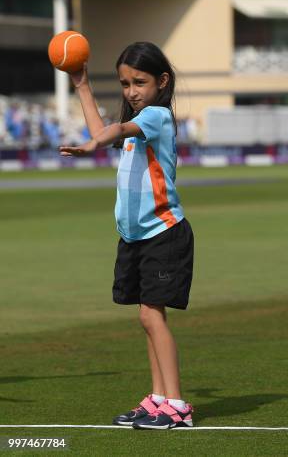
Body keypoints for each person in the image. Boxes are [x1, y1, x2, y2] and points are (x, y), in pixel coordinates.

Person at [59, 42, 195, 430]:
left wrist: (94, 143)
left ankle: (177, 406)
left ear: (162, 82)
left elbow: (112, 130)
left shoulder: (156, 117)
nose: (131, 91)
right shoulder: (139, 122)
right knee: (147, 317)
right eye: (124, 83)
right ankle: (158, 399)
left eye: (139, 82)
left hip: (164, 233)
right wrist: (82, 85)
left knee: (152, 317)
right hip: (136, 236)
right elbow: (107, 129)